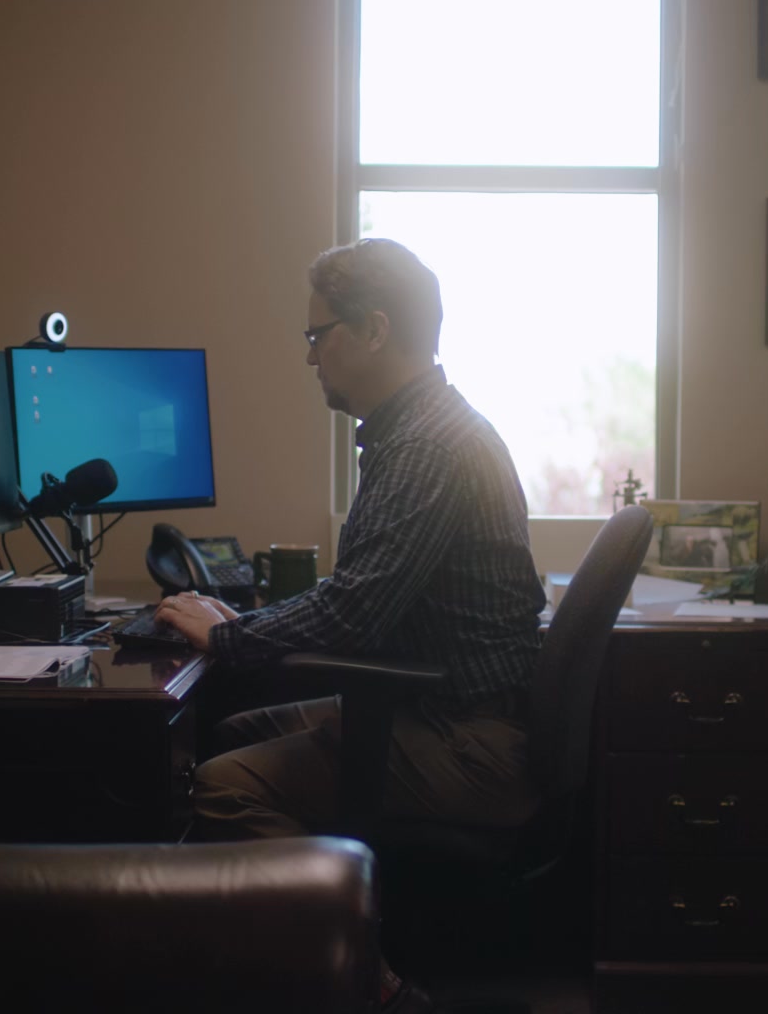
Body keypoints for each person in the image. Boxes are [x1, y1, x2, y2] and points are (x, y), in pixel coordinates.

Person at [155, 238, 548, 1013]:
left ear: (373, 329)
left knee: (220, 787)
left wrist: (228, 636)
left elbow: (355, 614)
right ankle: (275, 969)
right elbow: (362, 595)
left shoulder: (425, 448)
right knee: (230, 731)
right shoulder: (427, 429)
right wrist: (247, 622)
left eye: (318, 335)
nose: (309, 357)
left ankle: (370, 983)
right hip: (450, 714)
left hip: (470, 742)